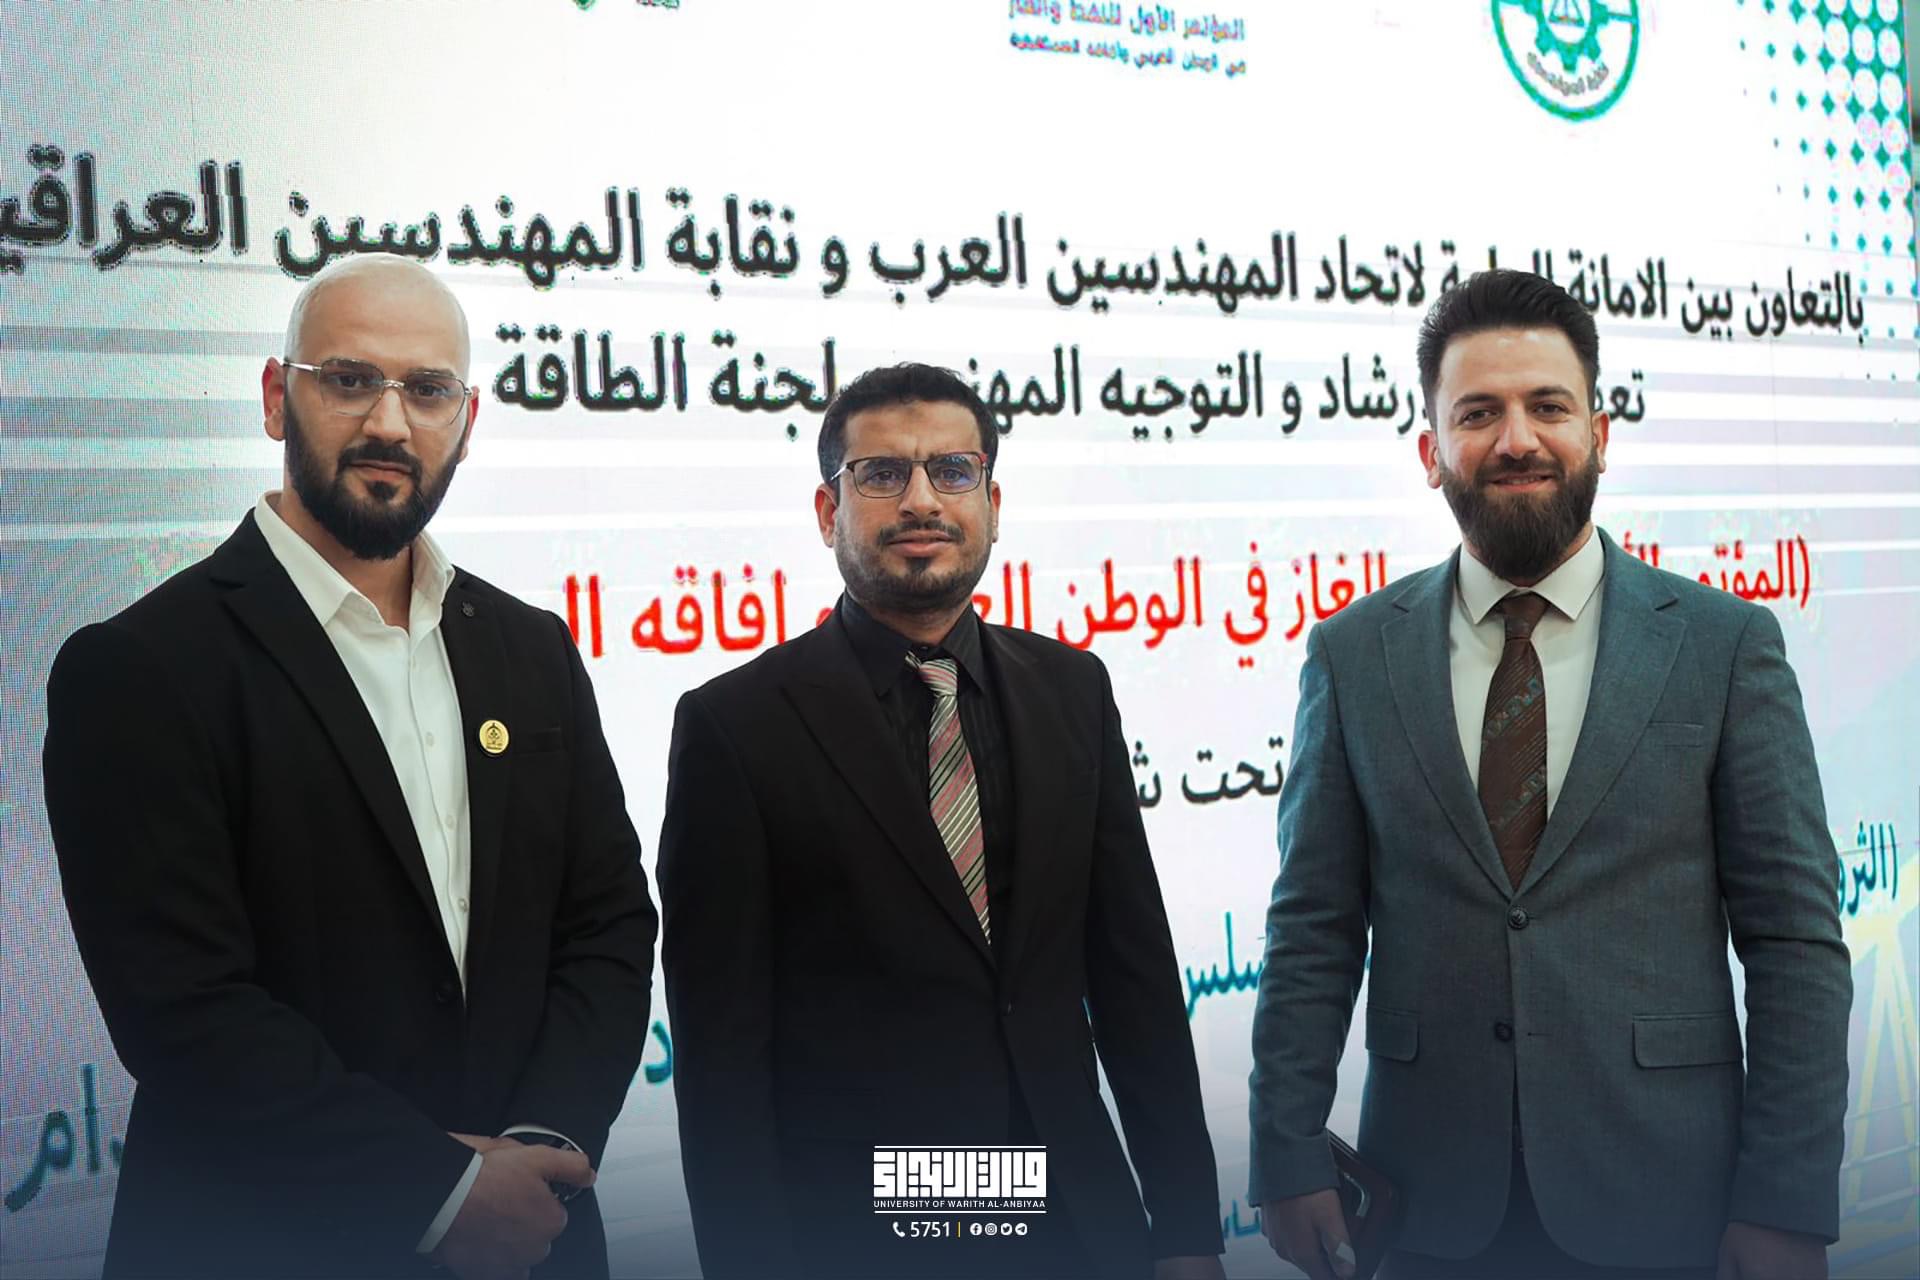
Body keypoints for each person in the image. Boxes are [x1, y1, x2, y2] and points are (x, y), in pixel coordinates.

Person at [41, 255, 658, 1280]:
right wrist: (437, 1191)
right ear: (276, 398)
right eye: (349, 379)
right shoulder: (142, 667)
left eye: (429, 390)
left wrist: (541, 1146)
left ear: (468, 419)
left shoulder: (531, 648)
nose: (390, 423)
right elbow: (185, 1008)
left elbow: (607, 923)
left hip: (534, 1236)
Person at [1246, 270, 1851, 1280]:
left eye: (1548, 407)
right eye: (1478, 412)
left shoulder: (1724, 645)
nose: (1516, 438)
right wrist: (1284, 1149)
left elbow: (1795, 941)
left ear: (1600, 435)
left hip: (1671, 1204)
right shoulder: (1352, 654)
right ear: (1431, 451)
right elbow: (1312, 926)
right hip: (1431, 1209)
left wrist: (1785, 1201)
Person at [656, 363, 1225, 1279]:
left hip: (1083, 1218)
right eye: (882, 474)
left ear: (992, 504)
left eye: (953, 471)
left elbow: (1137, 982)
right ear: (828, 512)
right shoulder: (737, 726)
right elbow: (721, 1061)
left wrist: (1191, 1229)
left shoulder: (1073, 689)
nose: (922, 500)